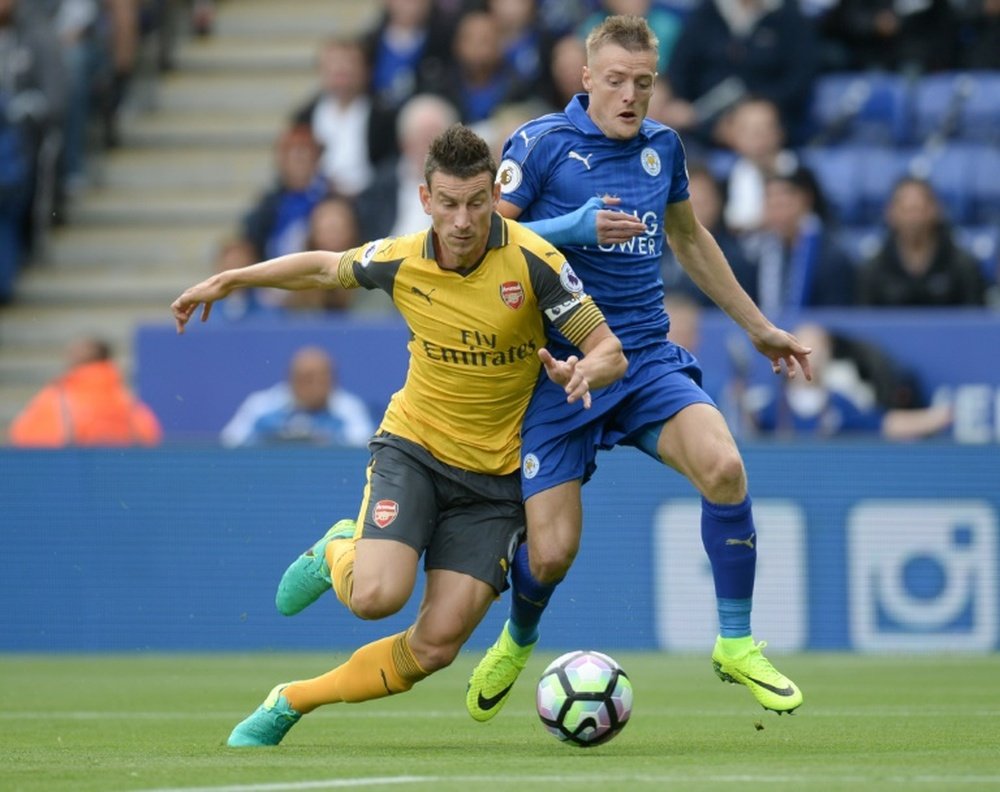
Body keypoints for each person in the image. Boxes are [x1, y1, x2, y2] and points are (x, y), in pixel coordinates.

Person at [169, 124, 627, 747]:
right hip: (414, 450)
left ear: (494, 194)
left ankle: (290, 700)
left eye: (474, 202)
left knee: (435, 647)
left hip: (494, 483)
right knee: (375, 598)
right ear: (425, 199)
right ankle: (339, 548)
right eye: (448, 204)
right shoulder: (402, 260)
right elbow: (325, 267)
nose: (462, 220)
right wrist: (231, 280)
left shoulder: (534, 262)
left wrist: (583, 370)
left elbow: (610, 351)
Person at [466, 14, 811, 723]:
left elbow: (689, 237)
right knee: (553, 554)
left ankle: (736, 642)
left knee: (724, 467)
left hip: (645, 359)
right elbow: (481, 243)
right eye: (616, 81)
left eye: (644, 84)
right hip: (561, 369)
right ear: (585, 78)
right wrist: (572, 228)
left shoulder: (664, 147)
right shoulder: (538, 146)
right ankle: (519, 636)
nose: (630, 97)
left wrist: (761, 329)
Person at [744, 322, 953, 440]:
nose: (810, 356)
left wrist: (934, 418)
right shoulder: (772, 408)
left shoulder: (841, 405)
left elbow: (884, 424)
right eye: (801, 347)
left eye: (817, 348)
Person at [856, 177, 987, 308]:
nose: (913, 218)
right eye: (906, 210)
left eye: (918, 209)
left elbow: (975, 318)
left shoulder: (963, 266)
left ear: (935, 210)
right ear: (890, 213)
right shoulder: (873, 271)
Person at [9, 336, 162, 447]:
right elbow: (149, 439)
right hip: (120, 483)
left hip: (69, 483)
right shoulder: (125, 400)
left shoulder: (55, 399)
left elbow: (24, 441)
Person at [219, 346, 375, 448]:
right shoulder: (260, 406)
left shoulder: (350, 409)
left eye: (323, 378)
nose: (316, 386)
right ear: (291, 380)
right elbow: (229, 446)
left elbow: (362, 452)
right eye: (307, 379)